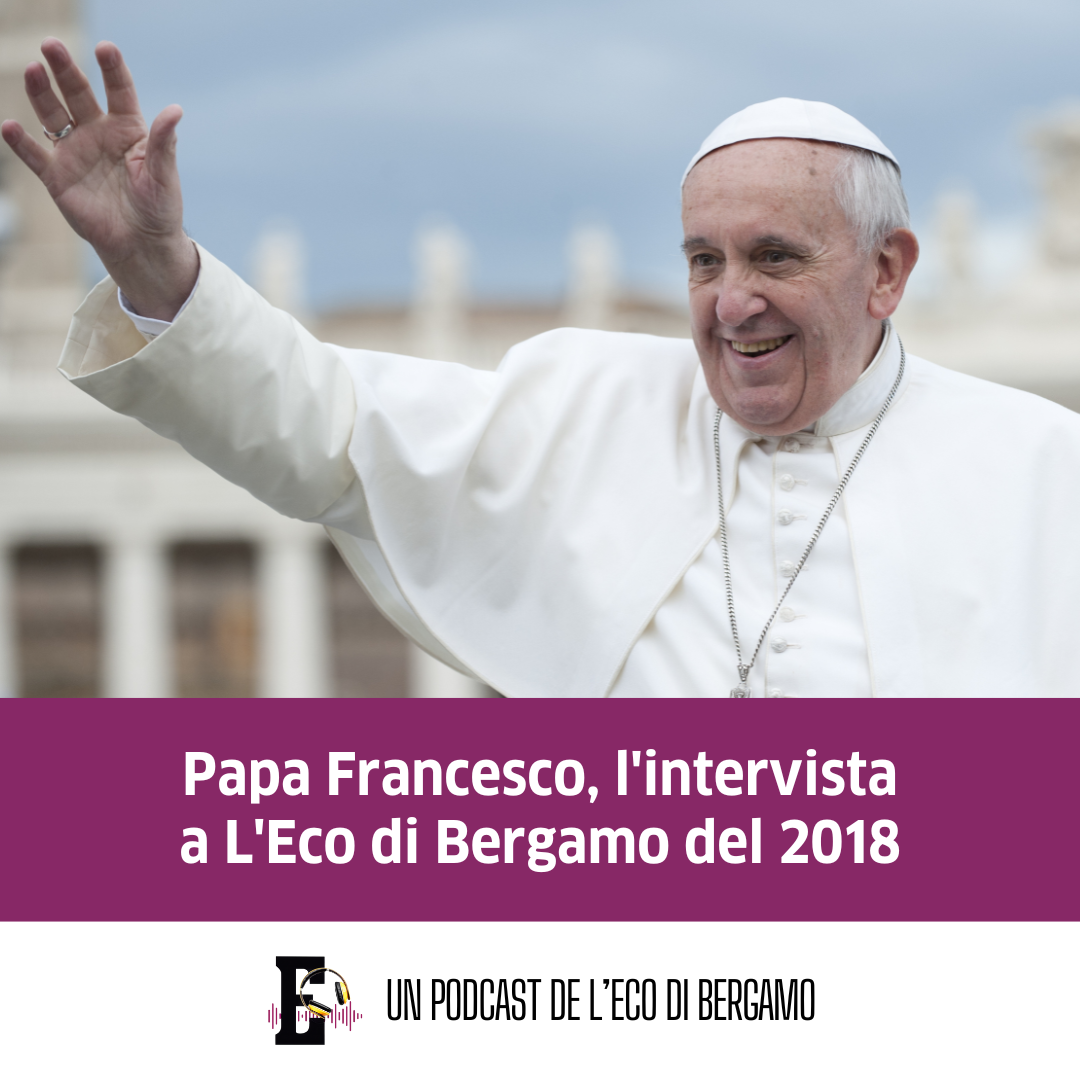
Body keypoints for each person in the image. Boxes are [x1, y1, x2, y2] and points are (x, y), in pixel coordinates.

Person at [6, 39, 1080, 697]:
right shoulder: (587, 406)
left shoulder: (1044, 470)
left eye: (775, 257)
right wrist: (158, 272)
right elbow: (331, 427)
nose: (731, 301)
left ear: (887, 271)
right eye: (703, 261)